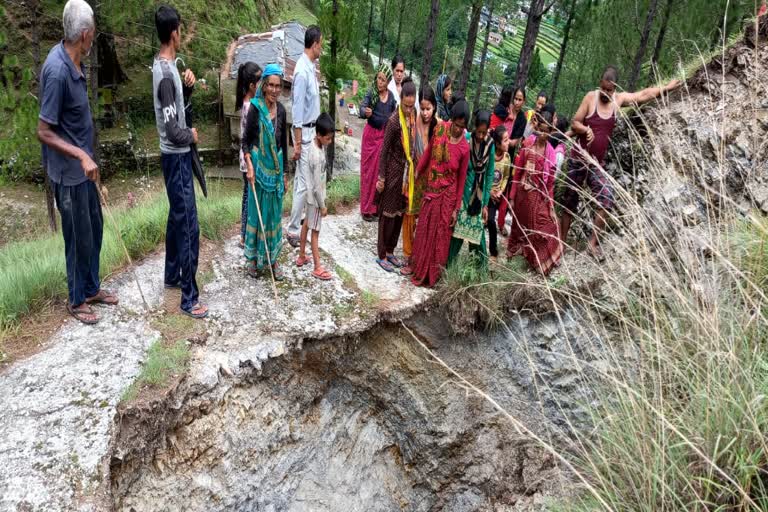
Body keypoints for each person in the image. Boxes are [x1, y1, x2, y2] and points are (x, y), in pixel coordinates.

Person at [36, 0, 118, 325]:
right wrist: (82, 155)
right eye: (93, 32)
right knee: (75, 236)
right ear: (84, 34)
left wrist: (88, 157)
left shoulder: (75, 61)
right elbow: (44, 131)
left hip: (84, 171)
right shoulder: (57, 70)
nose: (94, 37)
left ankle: (91, 286)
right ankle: (75, 298)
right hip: (68, 173)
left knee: (94, 229)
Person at [560, 65, 681, 261]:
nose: (606, 93)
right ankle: (561, 244)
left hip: (596, 164)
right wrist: (584, 129)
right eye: (603, 89)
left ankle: (592, 243)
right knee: (569, 202)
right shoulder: (591, 98)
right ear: (600, 84)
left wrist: (666, 88)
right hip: (578, 159)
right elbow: (575, 122)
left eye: (610, 90)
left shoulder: (618, 101)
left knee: (607, 199)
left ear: (615, 88)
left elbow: (642, 94)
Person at [151, 5, 207, 318]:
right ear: (175, 33)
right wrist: (192, 135)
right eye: (181, 30)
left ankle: (172, 275)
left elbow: (175, 109)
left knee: (176, 217)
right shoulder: (164, 75)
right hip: (176, 157)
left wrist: (187, 90)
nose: (181, 34)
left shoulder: (167, 68)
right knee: (189, 226)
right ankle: (189, 298)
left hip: (173, 158)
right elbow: (174, 130)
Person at [410, 100, 471, 288]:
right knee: (424, 230)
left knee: (440, 236)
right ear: (451, 120)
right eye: (457, 124)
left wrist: (456, 209)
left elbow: (461, 180)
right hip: (431, 189)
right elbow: (428, 152)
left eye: (463, 126)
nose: (459, 129)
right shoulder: (440, 130)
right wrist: (418, 170)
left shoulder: (464, 148)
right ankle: (418, 269)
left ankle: (433, 275)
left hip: (447, 197)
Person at [241, 64, 289, 280]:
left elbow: (283, 146)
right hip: (258, 172)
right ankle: (252, 260)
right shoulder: (255, 108)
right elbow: (245, 142)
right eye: (270, 85)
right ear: (263, 86)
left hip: (276, 171)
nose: (274, 90)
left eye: (278, 86)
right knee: (257, 213)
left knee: (273, 216)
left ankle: (273, 260)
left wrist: (285, 174)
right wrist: (249, 165)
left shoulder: (282, 111)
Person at [507, 110, 562, 275]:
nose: (544, 134)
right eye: (542, 130)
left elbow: (550, 183)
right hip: (522, 196)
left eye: (548, 131)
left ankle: (540, 262)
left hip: (538, 198)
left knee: (544, 228)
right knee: (519, 228)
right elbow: (518, 172)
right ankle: (513, 260)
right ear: (536, 126)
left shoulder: (550, 153)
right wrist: (512, 197)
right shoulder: (528, 143)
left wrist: (550, 204)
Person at [374, 79, 418, 272]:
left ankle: (391, 251)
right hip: (392, 173)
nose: (408, 110)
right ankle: (382, 253)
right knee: (387, 214)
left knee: (400, 213)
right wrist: (382, 177)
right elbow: (384, 151)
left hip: (406, 175)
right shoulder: (394, 122)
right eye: (406, 106)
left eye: (411, 106)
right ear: (400, 100)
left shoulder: (412, 118)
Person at [286, 25, 323, 248]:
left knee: (307, 182)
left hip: (312, 132)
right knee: (302, 184)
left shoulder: (310, 67)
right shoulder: (301, 71)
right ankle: (292, 229)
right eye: (321, 44)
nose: (322, 49)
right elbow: (297, 111)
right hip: (305, 134)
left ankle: (299, 222)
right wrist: (297, 143)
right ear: (315, 44)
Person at [448, 110, 495, 268]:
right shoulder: (466, 140)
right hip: (463, 193)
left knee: (478, 233)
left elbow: (489, 175)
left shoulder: (490, 145)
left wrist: (486, 203)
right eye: (479, 132)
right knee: (457, 233)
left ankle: (480, 271)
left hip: (479, 197)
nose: (481, 136)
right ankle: (448, 267)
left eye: (484, 132)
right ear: (474, 127)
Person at [400, 83, 437, 276]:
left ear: (434, 107)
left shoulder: (438, 127)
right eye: (422, 108)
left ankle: (420, 258)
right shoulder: (412, 121)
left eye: (428, 108)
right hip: (413, 177)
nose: (425, 113)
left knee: (424, 221)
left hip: (430, 179)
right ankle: (408, 255)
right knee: (409, 217)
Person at [296, 113, 335, 280]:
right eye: (328, 138)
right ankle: (317, 266)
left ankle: (302, 255)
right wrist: (323, 205)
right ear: (319, 135)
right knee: (315, 231)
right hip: (316, 200)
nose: (330, 141)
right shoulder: (317, 156)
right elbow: (319, 187)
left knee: (306, 224)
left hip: (309, 195)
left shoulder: (314, 146)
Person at [359, 63, 397, 221]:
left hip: (383, 137)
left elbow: (393, 116)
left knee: (378, 173)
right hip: (370, 137)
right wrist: (365, 112)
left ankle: (375, 208)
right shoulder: (371, 93)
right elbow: (362, 108)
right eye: (378, 78)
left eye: (383, 79)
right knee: (368, 173)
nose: (379, 82)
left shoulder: (391, 98)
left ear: (388, 82)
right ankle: (365, 209)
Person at [492, 87, 527, 236]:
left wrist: (504, 141)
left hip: (508, 156)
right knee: (492, 180)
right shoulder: (505, 110)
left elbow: (515, 141)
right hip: (496, 150)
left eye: (520, 99)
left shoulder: (522, 119)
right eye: (516, 99)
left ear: (524, 101)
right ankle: (487, 217)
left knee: (504, 188)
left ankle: (500, 222)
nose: (517, 102)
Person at [235, 62, 263, 248]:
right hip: (248, 160)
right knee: (248, 198)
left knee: (247, 196)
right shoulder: (248, 106)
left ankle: (244, 234)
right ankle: (244, 236)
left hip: (247, 159)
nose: (262, 85)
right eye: (260, 81)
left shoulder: (248, 103)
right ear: (252, 85)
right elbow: (249, 137)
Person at [487, 126, 511, 262]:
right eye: (505, 140)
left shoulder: (507, 158)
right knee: (488, 220)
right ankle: (491, 250)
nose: (509, 143)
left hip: (498, 196)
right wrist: (489, 192)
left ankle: (494, 252)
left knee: (493, 219)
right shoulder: (489, 156)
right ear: (497, 143)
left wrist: (501, 191)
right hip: (487, 194)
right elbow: (484, 175)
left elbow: (506, 177)